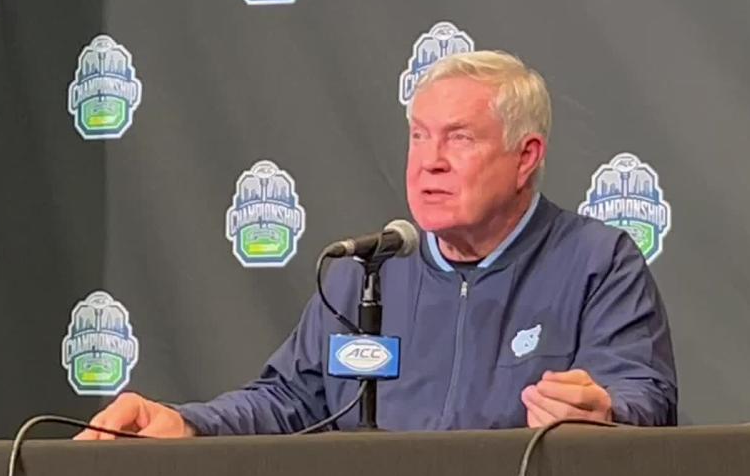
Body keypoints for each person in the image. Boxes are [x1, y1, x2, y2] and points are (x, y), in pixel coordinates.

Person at [74, 50, 676, 439]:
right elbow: (288, 402)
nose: (429, 163)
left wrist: (607, 414)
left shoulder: (596, 263)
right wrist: (186, 424)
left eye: (458, 139)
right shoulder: (367, 273)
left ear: (526, 158)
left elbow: (642, 394)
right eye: (419, 137)